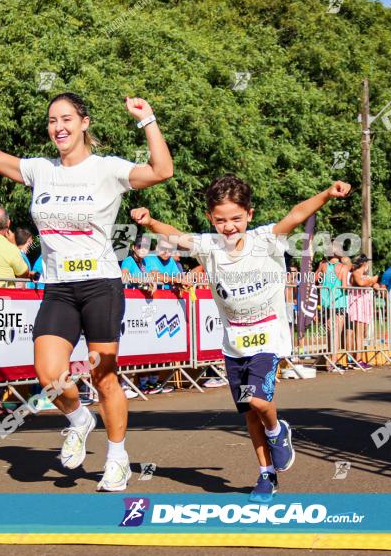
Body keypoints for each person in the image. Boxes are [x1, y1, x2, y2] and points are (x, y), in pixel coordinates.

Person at [0, 90, 173, 491]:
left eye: (66, 119)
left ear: (84, 123)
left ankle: (117, 457)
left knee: (105, 376)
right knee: (48, 375)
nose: (58, 127)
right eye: (52, 121)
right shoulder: (41, 170)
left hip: (100, 285)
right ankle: (80, 420)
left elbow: (162, 170)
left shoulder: (107, 169)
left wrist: (147, 119)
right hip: (59, 287)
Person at [131, 174, 351, 502]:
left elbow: (296, 213)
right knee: (250, 409)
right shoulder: (210, 247)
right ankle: (266, 474)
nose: (229, 226)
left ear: (249, 214)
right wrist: (149, 222)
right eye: (220, 220)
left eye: (236, 218)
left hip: (268, 338)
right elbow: (177, 237)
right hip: (235, 345)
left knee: (261, 401)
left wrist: (326, 194)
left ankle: (278, 432)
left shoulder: (266, 239)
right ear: (210, 219)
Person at [316, 249, 350, 367]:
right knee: (336, 332)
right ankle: (333, 361)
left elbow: (315, 279)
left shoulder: (323, 266)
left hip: (326, 302)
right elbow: (344, 286)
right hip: (339, 302)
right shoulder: (343, 267)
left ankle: (330, 360)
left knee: (330, 332)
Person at [347, 255, 381, 367]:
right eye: (367, 263)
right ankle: (358, 360)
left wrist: (375, 284)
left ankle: (358, 359)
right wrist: (372, 281)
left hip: (365, 305)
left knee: (364, 333)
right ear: (364, 264)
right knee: (359, 334)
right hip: (357, 305)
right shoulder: (356, 273)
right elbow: (361, 283)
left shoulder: (366, 275)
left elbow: (374, 284)